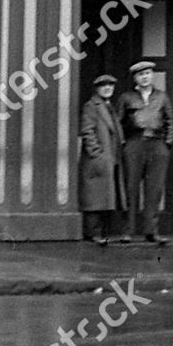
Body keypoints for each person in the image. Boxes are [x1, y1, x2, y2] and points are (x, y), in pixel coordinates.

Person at [115, 59, 173, 244]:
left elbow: (170, 121)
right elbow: (118, 123)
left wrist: (167, 144)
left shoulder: (162, 97)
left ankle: (151, 231)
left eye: (147, 73)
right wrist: (124, 144)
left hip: (157, 144)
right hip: (134, 143)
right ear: (135, 78)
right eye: (141, 74)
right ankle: (128, 231)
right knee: (130, 188)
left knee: (154, 190)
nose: (145, 77)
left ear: (152, 75)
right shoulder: (126, 98)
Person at [77, 73, 122, 245]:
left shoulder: (108, 106)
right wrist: (97, 153)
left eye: (110, 85)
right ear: (97, 88)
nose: (108, 88)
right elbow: (87, 131)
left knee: (103, 196)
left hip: (108, 158)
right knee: (94, 197)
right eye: (104, 86)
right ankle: (93, 233)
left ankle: (101, 232)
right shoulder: (92, 106)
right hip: (97, 160)